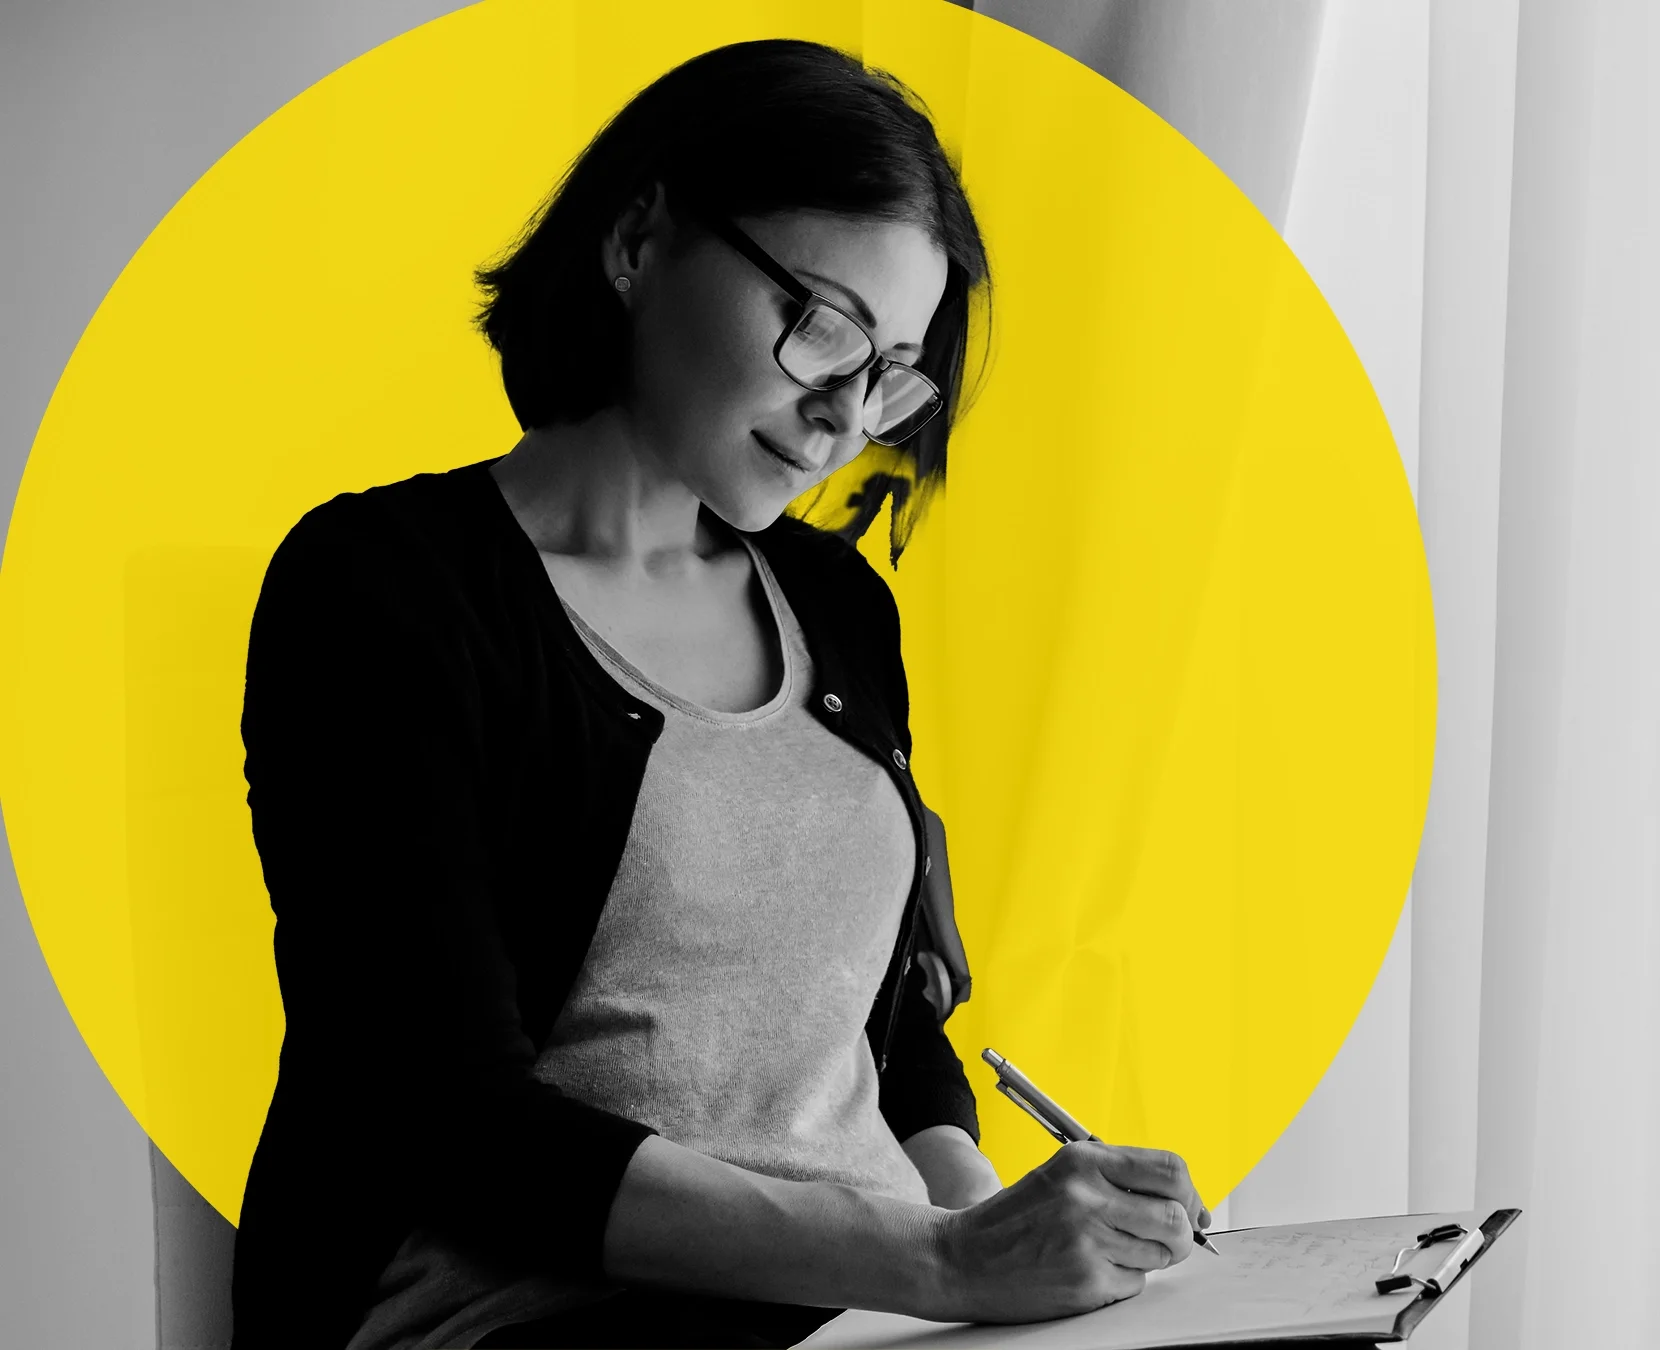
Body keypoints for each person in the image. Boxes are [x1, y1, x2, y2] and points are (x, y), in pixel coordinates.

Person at [230, 39, 1207, 1349]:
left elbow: (891, 1029)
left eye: (886, 372)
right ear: (640, 240)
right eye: (824, 325)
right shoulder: (382, 593)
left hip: (869, 1304)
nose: (838, 417)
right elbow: (451, 1116)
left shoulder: (840, 605)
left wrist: (1011, 1247)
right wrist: (946, 1261)